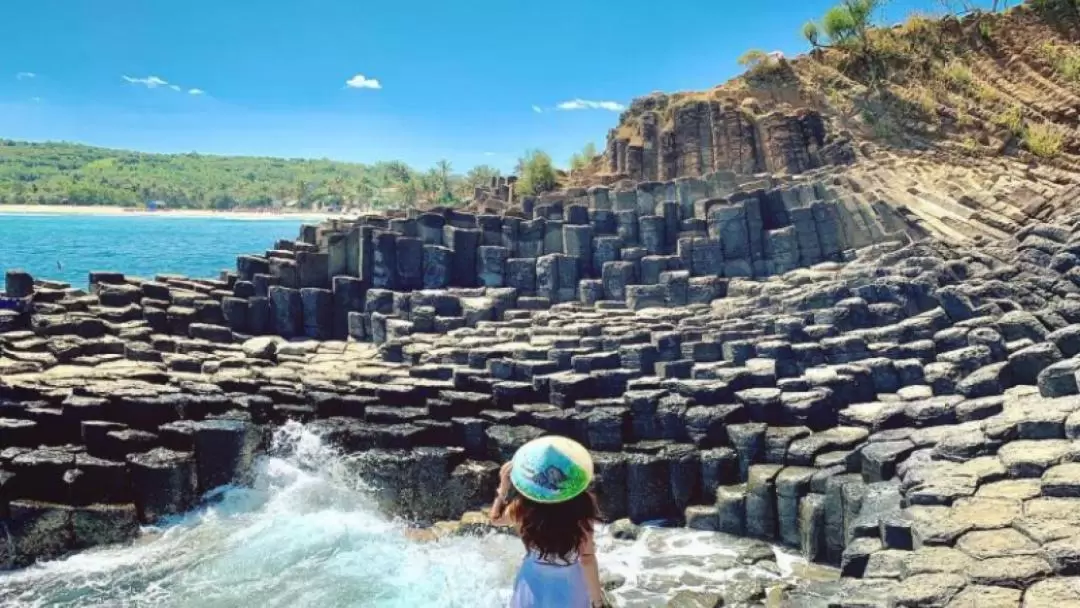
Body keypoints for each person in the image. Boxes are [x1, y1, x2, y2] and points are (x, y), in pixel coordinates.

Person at [489, 436, 608, 608]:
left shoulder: (523, 507)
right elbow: (587, 559)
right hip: (569, 585)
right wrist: (598, 602)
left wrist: (503, 488)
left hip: (532, 584)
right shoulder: (582, 506)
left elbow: (496, 519)